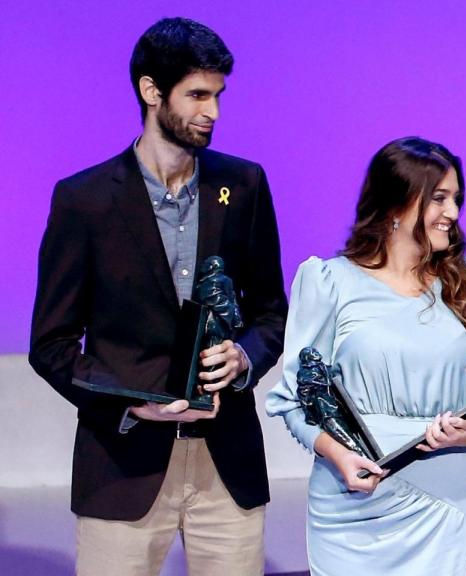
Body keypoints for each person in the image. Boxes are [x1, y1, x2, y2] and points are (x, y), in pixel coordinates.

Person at [28, 17, 287, 575]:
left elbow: (270, 311)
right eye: (197, 95)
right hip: (122, 465)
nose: (212, 112)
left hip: (228, 464)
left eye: (217, 95)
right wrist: (127, 402)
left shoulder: (244, 185)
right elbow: (49, 344)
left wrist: (245, 356)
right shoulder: (85, 200)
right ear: (151, 91)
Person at [266, 136, 466, 575]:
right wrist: (336, 454)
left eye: (456, 199)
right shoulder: (329, 283)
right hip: (351, 506)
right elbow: (293, 400)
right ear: (395, 203)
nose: (453, 214)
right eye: (439, 198)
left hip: (448, 504)